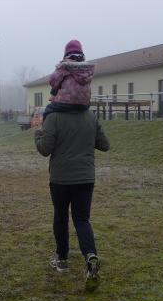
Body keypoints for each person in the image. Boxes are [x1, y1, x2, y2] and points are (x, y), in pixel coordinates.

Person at [34, 103, 109, 282]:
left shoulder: (53, 117)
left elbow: (44, 149)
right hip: (85, 178)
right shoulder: (90, 116)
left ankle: (62, 260)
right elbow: (104, 144)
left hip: (61, 179)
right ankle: (90, 255)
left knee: (61, 216)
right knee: (82, 219)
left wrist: (37, 134)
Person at [43, 39, 95, 121]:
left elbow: (53, 80)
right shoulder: (87, 69)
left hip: (66, 102)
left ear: (66, 55)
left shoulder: (65, 66)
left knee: (48, 109)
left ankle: (44, 125)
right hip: (84, 104)